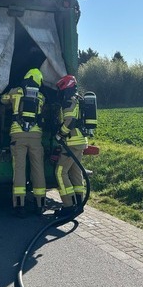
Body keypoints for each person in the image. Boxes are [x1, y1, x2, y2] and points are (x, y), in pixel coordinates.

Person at [1, 69, 46, 217]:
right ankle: (40, 204)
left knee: (19, 169)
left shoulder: (16, 92)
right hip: (36, 136)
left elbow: (3, 99)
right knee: (38, 169)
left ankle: (19, 205)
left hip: (18, 136)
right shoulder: (41, 97)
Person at [54, 75, 88, 217]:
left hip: (72, 142)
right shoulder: (78, 99)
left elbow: (70, 122)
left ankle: (68, 205)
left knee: (60, 173)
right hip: (81, 141)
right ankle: (79, 203)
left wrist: (60, 135)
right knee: (75, 171)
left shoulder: (68, 101)